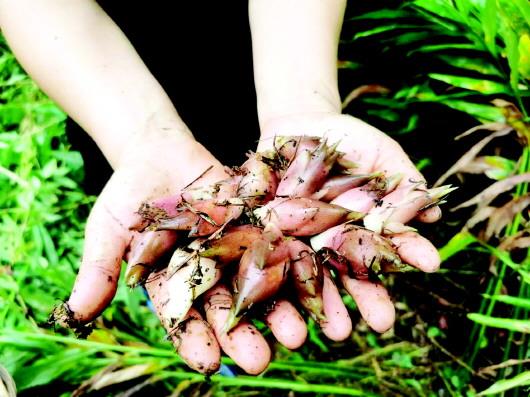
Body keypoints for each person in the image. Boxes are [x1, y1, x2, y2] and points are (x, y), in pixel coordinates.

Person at [0, 0, 441, 375]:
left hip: (279, 52)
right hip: (116, 96)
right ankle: (214, 322)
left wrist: (299, 97)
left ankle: (230, 317)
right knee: (173, 257)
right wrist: (139, 137)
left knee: (217, 262)